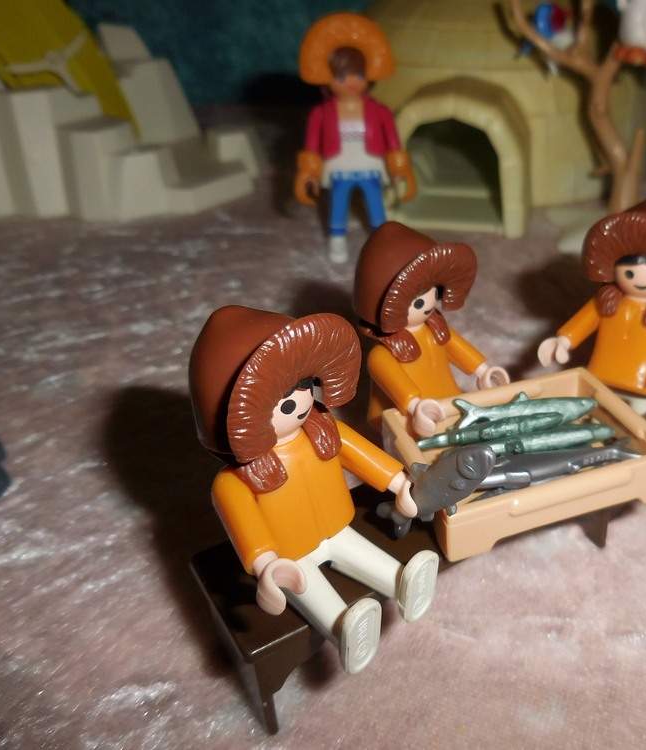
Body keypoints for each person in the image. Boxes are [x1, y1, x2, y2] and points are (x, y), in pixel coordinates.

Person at [189, 306, 438, 675]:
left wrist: (398, 482)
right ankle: (343, 628)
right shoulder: (233, 481)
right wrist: (268, 566)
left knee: (359, 550)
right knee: (307, 585)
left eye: (304, 386)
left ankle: (402, 581)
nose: (301, 403)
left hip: (335, 527)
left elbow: (363, 457)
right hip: (291, 553)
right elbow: (246, 526)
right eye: (283, 401)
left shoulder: (324, 431)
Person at [538, 198, 646, 414]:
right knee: (594, 415)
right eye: (630, 273)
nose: (640, 281)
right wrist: (562, 341)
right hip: (600, 378)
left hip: (643, 386)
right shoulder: (605, 304)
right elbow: (580, 325)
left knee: (637, 422)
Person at [353, 221, 510, 436]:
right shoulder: (382, 355)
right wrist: (416, 406)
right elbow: (396, 384)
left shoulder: (435, 331)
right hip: (407, 418)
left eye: (434, 293)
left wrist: (483, 371)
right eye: (418, 302)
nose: (428, 304)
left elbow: (458, 349)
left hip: (448, 399)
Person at [294, 13, 416, 262]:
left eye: (358, 75)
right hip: (339, 167)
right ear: (328, 80)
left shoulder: (379, 111)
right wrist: (309, 173)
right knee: (338, 205)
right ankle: (337, 240)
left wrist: (399, 168)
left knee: (376, 206)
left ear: (368, 75)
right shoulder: (321, 113)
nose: (351, 82)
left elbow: (393, 142)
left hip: (370, 166)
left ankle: (383, 242)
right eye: (341, 77)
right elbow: (312, 146)